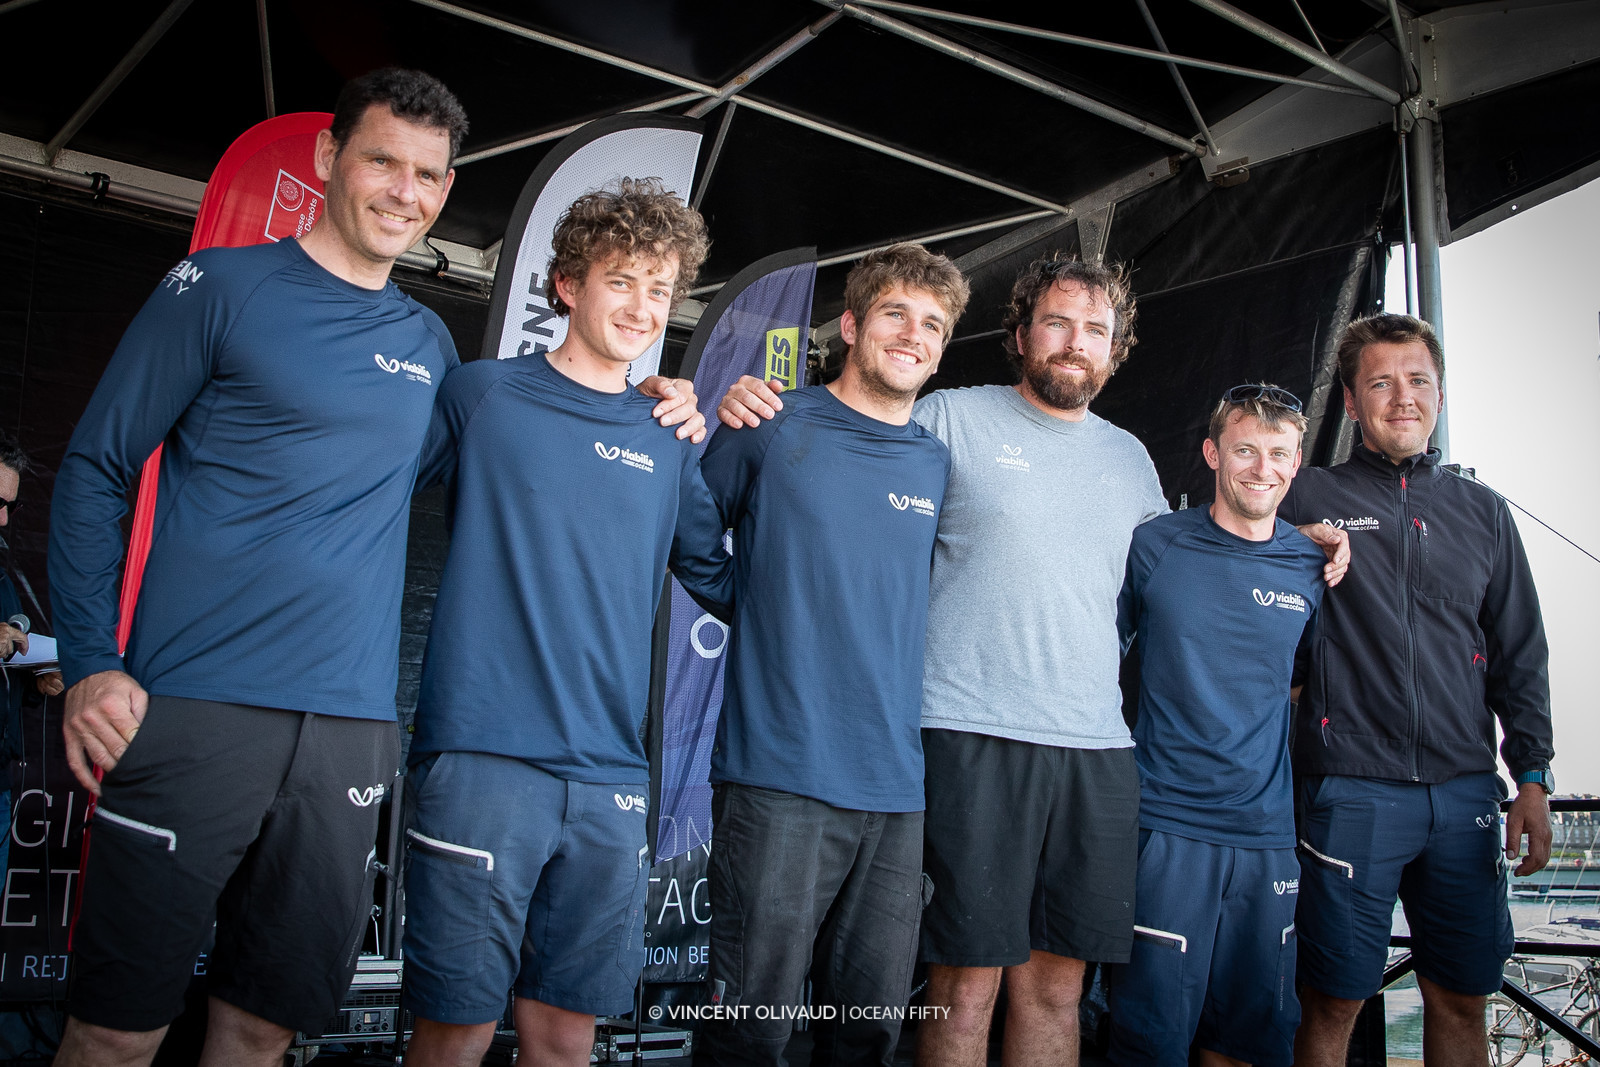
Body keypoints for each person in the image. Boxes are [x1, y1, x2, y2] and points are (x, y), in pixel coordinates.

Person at [46, 70, 700, 1067]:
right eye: (382, 161)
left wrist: (659, 399)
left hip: (350, 735)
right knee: (114, 1030)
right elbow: (95, 466)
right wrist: (93, 655)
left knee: (264, 1027)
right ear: (326, 161)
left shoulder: (430, 347)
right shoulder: (219, 287)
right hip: (193, 707)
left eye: (428, 175)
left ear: (444, 192)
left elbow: (537, 452)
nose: (405, 190)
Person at [718, 254, 1347, 1067]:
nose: (1075, 343)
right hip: (969, 736)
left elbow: (1210, 557)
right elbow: (851, 430)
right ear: (1020, 334)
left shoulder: (1131, 461)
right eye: (1057, 322)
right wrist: (749, 400)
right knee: (966, 984)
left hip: (1097, 753)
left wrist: (1304, 544)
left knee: (1055, 988)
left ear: (1114, 351)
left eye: (1095, 331)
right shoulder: (950, 418)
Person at [400, 179, 732, 1067]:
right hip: (482, 761)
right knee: (456, 1030)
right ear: (568, 286)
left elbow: (731, 581)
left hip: (610, 777)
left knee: (563, 1037)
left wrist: (750, 435)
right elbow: (360, 497)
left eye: (659, 290)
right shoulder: (481, 396)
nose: (641, 307)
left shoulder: (668, 434)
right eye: (621, 280)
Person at [693, 244, 970, 1067]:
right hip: (780, 776)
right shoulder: (772, 422)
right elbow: (686, 527)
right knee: (753, 1029)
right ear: (851, 324)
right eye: (895, 313)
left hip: (894, 791)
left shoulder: (934, 461)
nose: (912, 336)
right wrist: (758, 597)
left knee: (865, 1028)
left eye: (933, 325)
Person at [1279, 313, 1554, 1066]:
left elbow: (1520, 653)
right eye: (1381, 381)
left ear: (1440, 391)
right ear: (1352, 397)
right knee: (1332, 999)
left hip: (1464, 793)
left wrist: (1531, 776)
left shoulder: (1484, 510)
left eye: (1418, 380)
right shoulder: (1305, 497)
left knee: (1462, 996)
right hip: (1350, 791)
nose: (1403, 397)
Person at [1109, 384, 1326, 1067]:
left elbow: (1300, 678)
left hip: (1267, 838)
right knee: (1151, 1040)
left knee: (1249, 1040)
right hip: (1167, 829)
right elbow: (1100, 655)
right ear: (1212, 453)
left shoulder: (1310, 564)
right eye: (1245, 450)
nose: (1262, 468)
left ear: (1296, 464)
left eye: (1278, 454)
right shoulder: (1153, 546)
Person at [0, 433, 65, 875]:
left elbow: (9, 666)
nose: (3, 520)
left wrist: (37, 678)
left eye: (11, 506)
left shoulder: (1, 581)